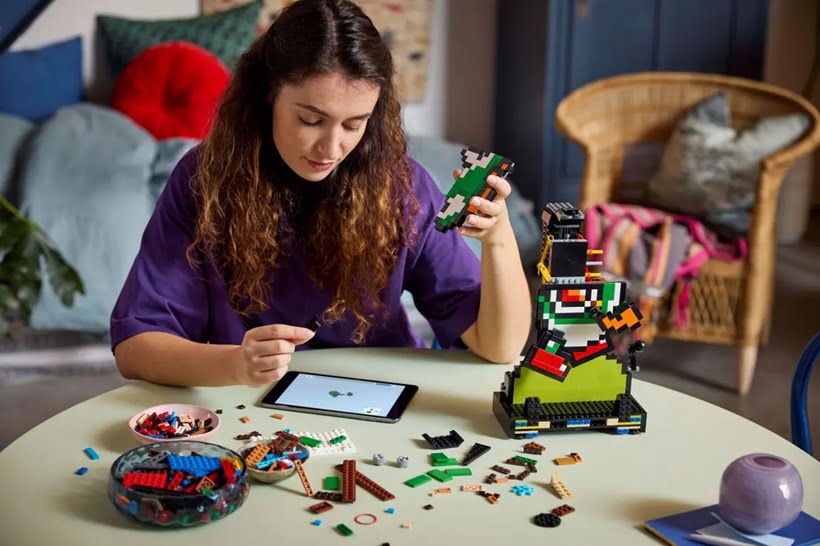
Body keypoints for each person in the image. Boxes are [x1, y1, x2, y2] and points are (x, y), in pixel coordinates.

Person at [111, 0, 530, 388]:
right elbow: (136, 345)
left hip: (381, 400)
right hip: (249, 403)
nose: (331, 150)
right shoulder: (204, 179)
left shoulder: (404, 188)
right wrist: (236, 364)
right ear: (269, 94)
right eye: (311, 120)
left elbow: (501, 347)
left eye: (353, 125)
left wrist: (498, 239)